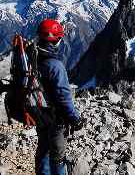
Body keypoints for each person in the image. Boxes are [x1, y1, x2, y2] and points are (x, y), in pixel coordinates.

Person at [35, 19, 83, 175]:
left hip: (39, 112)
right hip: (56, 117)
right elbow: (64, 97)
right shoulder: (55, 66)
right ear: (56, 40)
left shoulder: (33, 57)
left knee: (43, 149)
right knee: (57, 156)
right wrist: (75, 118)